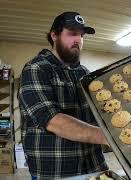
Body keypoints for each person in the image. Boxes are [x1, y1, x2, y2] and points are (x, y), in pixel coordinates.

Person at [18, 12, 108, 179]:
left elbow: (98, 112)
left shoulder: (84, 73)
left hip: (93, 163)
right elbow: (52, 121)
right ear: (54, 35)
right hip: (55, 169)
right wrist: (109, 137)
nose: (78, 40)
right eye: (72, 33)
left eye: (82, 35)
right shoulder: (36, 69)